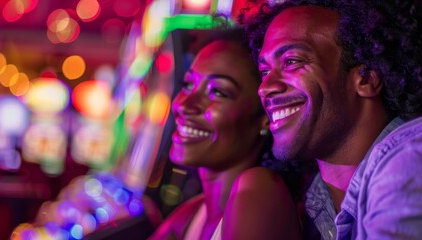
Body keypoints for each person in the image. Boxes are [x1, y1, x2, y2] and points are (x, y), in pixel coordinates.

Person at [244, 0, 422, 239]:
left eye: (292, 61)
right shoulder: (313, 200)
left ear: (366, 79)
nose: (265, 88)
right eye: (265, 72)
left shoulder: (410, 157)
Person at [149, 28, 302, 240]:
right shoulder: (193, 213)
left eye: (218, 92)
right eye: (188, 85)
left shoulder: (259, 191)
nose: (184, 105)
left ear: (265, 115)